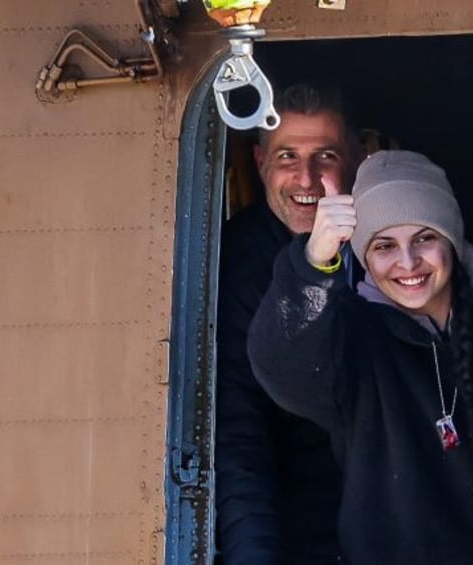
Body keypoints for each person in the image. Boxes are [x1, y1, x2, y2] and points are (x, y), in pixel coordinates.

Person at [248, 150, 473, 565]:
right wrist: (313, 261)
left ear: (452, 238)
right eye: (384, 245)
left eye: (424, 238)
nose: (407, 263)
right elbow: (284, 370)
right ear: (364, 258)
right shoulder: (350, 334)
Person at [214, 83, 359, 565]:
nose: (307, 178)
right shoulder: (235, 261)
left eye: (326, 156)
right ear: (258, 162)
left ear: (354, 160)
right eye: (287, 156)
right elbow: (239, 435)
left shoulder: (390, 248)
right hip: (290, 522)